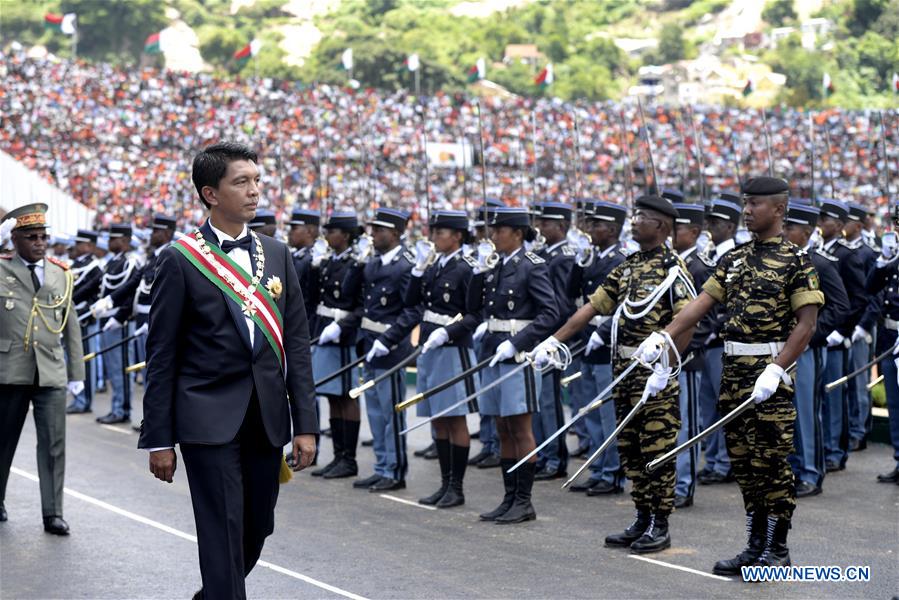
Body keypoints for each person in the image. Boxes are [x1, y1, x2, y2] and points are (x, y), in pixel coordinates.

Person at [137, 142, 318, 599]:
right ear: (210, 193)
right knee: (220, 529)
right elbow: (162, 355)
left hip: (266, 418)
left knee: (256, 526)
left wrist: (307, 426)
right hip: (206, 421)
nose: (255, 191)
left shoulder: (276, 253)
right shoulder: (180, 259)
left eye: (257, 180)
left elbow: (295, 345)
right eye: (241, 182)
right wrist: (159, 438)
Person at [636, 177, 823, 572]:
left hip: (769, 374)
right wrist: (664, 335)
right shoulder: (733, 259)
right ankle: (755, 546)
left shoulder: (796, 260)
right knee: (743, 463)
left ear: (778, 209)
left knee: (771, 462)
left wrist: (777, 367)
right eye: (746, 203)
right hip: (733, 371)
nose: (748, 210)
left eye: (755, 203)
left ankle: (778, 548)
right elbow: (702, 303)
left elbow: (806, 324)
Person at [535, 194, 691, 552]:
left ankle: (659, 523)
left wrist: (667, 366)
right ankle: (641, 516)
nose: (634, 221)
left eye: (642, 217)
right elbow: (591, 308)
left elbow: (687, 323)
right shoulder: (629, 266)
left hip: (654, 373)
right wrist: (553, 341)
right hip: (623, 368)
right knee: (631, 447)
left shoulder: (673, 268)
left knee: (657, 447)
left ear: (662, 227)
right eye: (634, 215)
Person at [468, 206, 558, 524]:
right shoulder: (496, 266)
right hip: (495, 352)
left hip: (518, 357)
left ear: (517, 234)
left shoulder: (531, 267)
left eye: (500, 230)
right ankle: (509, 498)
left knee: (521, 428)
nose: (493, 236)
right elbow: (476, 307)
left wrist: (517, 342)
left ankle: (524, 500)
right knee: (502, 427)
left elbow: (550, 313)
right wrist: (478, 273)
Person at [0, 203, 84, 534]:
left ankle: (52, 513)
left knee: (53, 445)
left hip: (49, 371)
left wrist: (77, 374)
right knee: (3, 441)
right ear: (15, 240)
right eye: (31, 237)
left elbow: (71, 327)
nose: (39, 243)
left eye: (42, 237)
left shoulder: (60, 274)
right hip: (8, 370)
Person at [405, 210, 482, 507]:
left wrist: (449, 332)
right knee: (438, 417)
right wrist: (416, 272)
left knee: (454, 417)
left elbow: (475, 313)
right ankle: (444, 483)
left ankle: (457, 487)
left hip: (451, 347)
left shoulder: (467, 268)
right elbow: (414, 302)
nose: (434, 237)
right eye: (434, 232)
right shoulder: (435, 264)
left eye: (441, 232)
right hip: (430, 344)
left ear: (457, 236)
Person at [342, 207, 421, 492]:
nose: (373, 235)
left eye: (379, 230)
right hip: (370, 346)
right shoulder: (373, 262)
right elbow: (352, 294)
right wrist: (358, 263)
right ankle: (381, 466)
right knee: (375, 412)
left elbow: (412, 311)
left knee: (391, 413)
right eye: (373, 230)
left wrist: (387, 339)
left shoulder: (405, 265)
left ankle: (395, 470)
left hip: (391, 349)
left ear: (396, 233)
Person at [783, 201, 849, 497]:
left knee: (806, 412)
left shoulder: (820, 262)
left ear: (807, 232)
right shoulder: (782, 259)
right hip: (782, 348)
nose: (784, 232)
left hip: (807, 349)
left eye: (791, 228)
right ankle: (795, 468)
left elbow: (840, 307)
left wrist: (811, 334)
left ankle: (811, 471)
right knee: (787, 412)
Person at [565, 200, 629, 496]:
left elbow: (622, 306)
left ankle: (613, 471)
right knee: (589, 410)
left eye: (596, 225)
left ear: (613, 230)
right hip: (587, 341)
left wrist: (602, 332)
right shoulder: (593, 257)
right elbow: (572, 295)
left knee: (607, 412)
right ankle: (598, 467)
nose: (590, 230)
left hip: (606, 341)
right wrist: (579, 263)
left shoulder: (621, 258)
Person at [309, 212, 364, 479]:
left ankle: (348, 458)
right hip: (325, 332)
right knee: (332, 395)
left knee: (346, 396)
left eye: (332, 231)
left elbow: (361, 306)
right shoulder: (328, 262)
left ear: (345, 235)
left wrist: (341, 326)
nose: (327, 236)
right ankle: (338, 455)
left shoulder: (356, 263)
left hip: (343, 336)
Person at [670, 201, 716, 508]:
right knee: (670, 422)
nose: (671, 234)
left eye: (678, 228)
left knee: (686, 423)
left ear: (695, 232)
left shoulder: (700, 267)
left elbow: (707, 320)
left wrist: (679, 347)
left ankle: (683, 485)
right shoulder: (671, 264)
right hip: (667, 358)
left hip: (686, 358)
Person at [817, 199, 867, 472]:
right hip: (823, 333)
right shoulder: (819, 251)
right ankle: (826, 447)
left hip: (836, 335)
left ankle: (836, 450)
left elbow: (857, 298)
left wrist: (841, 331)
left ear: (838, 225)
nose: (820, 225)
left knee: (835, 396)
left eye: (825, 220)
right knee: (822, 397)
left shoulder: (847, 255)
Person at [697, 194, 742, 485]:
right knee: (708, 404)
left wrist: (716, 325)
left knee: (724, 403)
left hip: (722, 340)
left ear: (729, 226)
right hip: (705, 340)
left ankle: (725, 462)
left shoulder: (737, 256)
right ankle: (713, 459)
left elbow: (736, 301)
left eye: (715, 222)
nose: (710, 227)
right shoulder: (711, 255)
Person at [532, 201, 577, 480]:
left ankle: (555, 458)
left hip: (551, 337)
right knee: (537, 400)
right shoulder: (543, 253)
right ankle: (542, 452)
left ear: (560, 227)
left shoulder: (563, 257)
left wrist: (551, 336)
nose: (540, 227)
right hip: (538, 337)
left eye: (546, 223)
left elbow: (561, 303)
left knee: (548, 401)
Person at [89, 224, 142, 424]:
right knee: (113, 368)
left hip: (118, 321)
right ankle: (117, 406)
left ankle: (122, 409)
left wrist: (119, 317)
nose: (109, 243)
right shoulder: (112, 262)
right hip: (107, 318)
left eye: (113, 239)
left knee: (120, 367)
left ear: (125, 241)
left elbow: (130, 293)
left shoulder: (131, 263)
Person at [468, 199, 504, 469]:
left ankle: (496, 444)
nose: (484, 235)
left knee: (500, 397)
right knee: (485, 392)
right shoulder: (482, 255)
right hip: (485, 330)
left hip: (501, 332)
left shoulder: (502, 258)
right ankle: (488, 441)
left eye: (487, 229)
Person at [66, 229, 103, 414]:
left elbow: (86, 291)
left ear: (89, 245)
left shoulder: (94, 267)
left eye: (80, 243)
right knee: (74, 359)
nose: (76, 247)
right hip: (73, 317)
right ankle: (78, 397)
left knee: (85, 360)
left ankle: (84, 401)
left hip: (84, 317)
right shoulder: (75, 264)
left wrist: (68, 299)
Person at [288, 208, 320, 333]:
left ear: (309, 232)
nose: (290, 232)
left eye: (294, 228)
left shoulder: (312, 259)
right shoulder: (295, 255)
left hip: (304, 324)